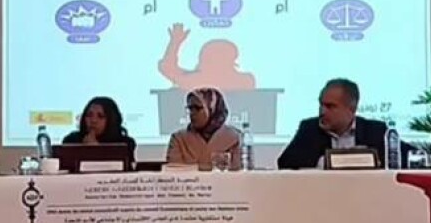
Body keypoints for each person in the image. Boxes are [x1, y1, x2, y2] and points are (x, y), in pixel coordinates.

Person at [278, 78, 409, 169]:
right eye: (321, 104)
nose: (322, 111)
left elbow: (409, 157)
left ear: (351, 109)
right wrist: (325, 161)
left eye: (330, 106)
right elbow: (285, 162)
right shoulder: (309, 129)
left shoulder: (375, 131)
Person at [158, 23, 256, 90]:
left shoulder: (195, 81)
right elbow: (168, 69)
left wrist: (175, 42)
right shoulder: (246, 80)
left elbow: (168, 69)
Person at [166, 87, 241, 170]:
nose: (192, 113)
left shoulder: (234, 138)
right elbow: (174, 173)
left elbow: (239, 173)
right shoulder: (179, 139)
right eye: (190, 108)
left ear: (212, 109)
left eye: (197, 108)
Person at [62, 97, 137, 159]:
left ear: (111, 120)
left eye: (100, 116)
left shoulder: (125, 144)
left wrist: (97, 151)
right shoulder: (71, 141)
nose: (93, 120)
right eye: (89, 115)